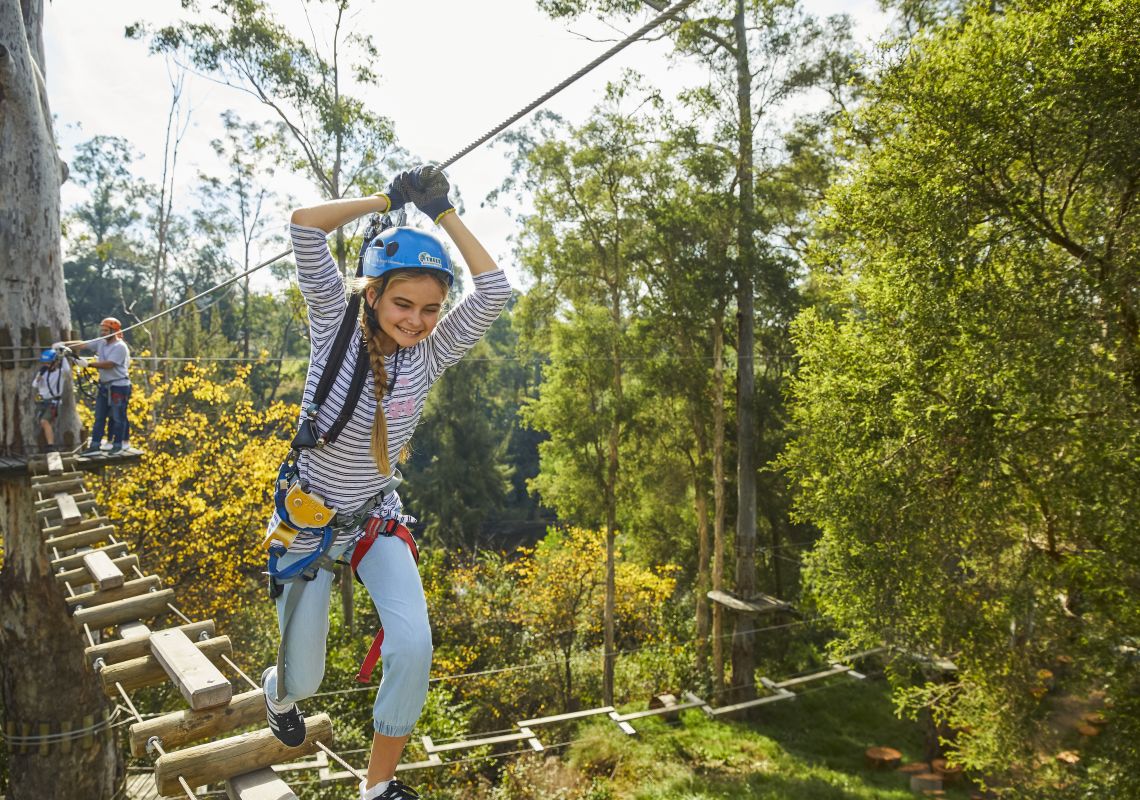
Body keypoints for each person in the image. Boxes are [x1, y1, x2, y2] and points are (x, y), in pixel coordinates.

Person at [261, 166, 512, 800]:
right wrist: (388, 201)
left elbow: (494, 290)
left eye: (431, 309)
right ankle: (279, 691)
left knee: (414, 642)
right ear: (372, 294)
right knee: (306, 679)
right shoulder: (334, 324)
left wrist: (443, 213)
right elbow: (304, 227)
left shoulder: (428, 350)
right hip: (310, 519)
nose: (419, 320)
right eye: (404, 303)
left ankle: (378, 786)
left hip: (375, 515)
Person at [71, 317, 132, 456]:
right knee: (99, 416)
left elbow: (109, 364)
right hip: (105, 386)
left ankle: (119, 444)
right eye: (102, 330)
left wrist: (88, 364)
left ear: (114, 331)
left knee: (118, 416)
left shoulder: (120, 347)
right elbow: (82, 345)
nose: (103, 333)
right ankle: (95, 445)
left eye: (106, 330)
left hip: (119, 386)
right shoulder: (101, 343)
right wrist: (64, 345)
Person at [32, 347, 78, 451]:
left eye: (48, 363)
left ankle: (51, 445)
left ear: (55, 362)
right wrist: (39, 378)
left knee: (45, 421)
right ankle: (48, 443)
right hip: (43, 401)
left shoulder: (60, 373)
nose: (46, 365)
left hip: (54, 402)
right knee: (43, 423)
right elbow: (34, 385)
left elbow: (67, 370)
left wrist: (64, 357)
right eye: (45, 363)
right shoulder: (43, 372)